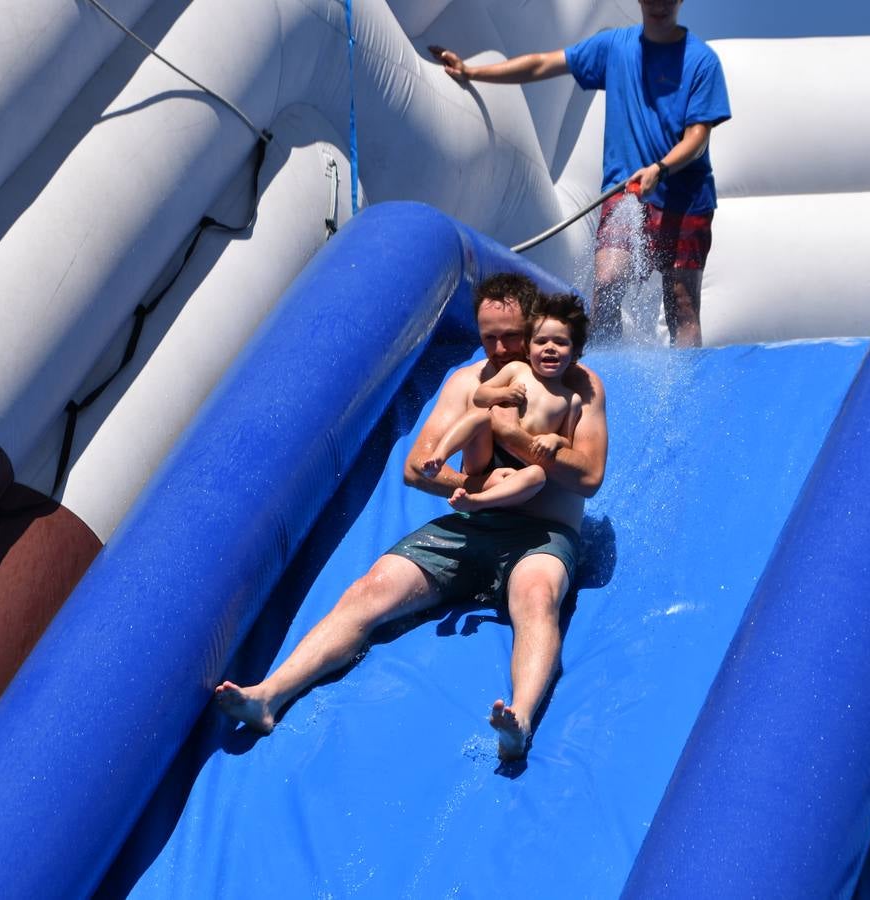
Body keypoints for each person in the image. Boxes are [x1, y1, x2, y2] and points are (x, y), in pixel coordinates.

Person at [215, 275, 608, 761]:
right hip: (471, 523)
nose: (503, 347)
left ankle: (520, 717)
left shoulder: (580, 386)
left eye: (512, 335)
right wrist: (484, 492)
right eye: (490, 336)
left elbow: (589, 476)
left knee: (537, 594)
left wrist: (518, 441)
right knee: (370, 589)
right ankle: (268, 695)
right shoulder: (469, 384)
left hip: (541, 534)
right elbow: (417, 467)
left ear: (531, 329)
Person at [431, 0, 731, 347]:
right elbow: (543, 64)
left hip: (685, 198)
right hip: (627, 189)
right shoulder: (615, 47)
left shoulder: (700, 60)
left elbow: (697, 137)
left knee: (681, 303)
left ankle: (686, 393)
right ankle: (609, 373)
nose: (659, 4)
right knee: (606, 281)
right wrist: (472, 72)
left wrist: (662, 169)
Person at [421, 292, 588, 514]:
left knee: (537, 475)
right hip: (486, 455)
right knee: (480, 415)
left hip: (522, 468)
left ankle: (476, 502)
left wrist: (554, 439)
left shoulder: (571, 399)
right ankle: (439, 458)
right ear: (527, 349)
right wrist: (505, 393)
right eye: (541, 341)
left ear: (575, 352)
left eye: (560, 342)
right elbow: (480, 395)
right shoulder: (517, 370)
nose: (550, 347)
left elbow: (568, 441)